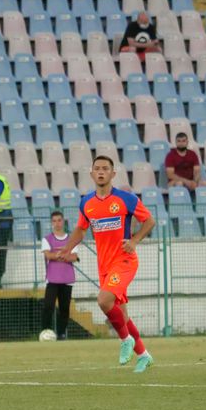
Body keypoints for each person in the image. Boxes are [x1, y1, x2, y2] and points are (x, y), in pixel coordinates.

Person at [57, 155, 156, 373]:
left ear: (113, 173)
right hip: (105, 265)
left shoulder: (126, 199)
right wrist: (67, 248)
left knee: (103, 300)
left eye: (105, 168)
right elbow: (81, 229)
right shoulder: (86, 203)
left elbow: (149, 221)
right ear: (92, 173)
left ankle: (125, 340)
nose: (101, 172)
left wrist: (134, 240)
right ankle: (144, 356)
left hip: (124, 260)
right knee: (122, 315)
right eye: (97, 168)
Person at [40, 211, 80, 340]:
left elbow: (74, 257)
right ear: (51, 223)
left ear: (63, 221)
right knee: (48, 306)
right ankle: (45, 332)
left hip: (67, 279)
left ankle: (62, 334)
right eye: (54, 221)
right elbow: (48, 255)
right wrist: (64, 255)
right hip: (52, 279)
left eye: (59, 220)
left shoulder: (71, 239)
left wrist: (59, 255)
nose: (57, 223)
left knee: (64, 308)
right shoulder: (47, 239)